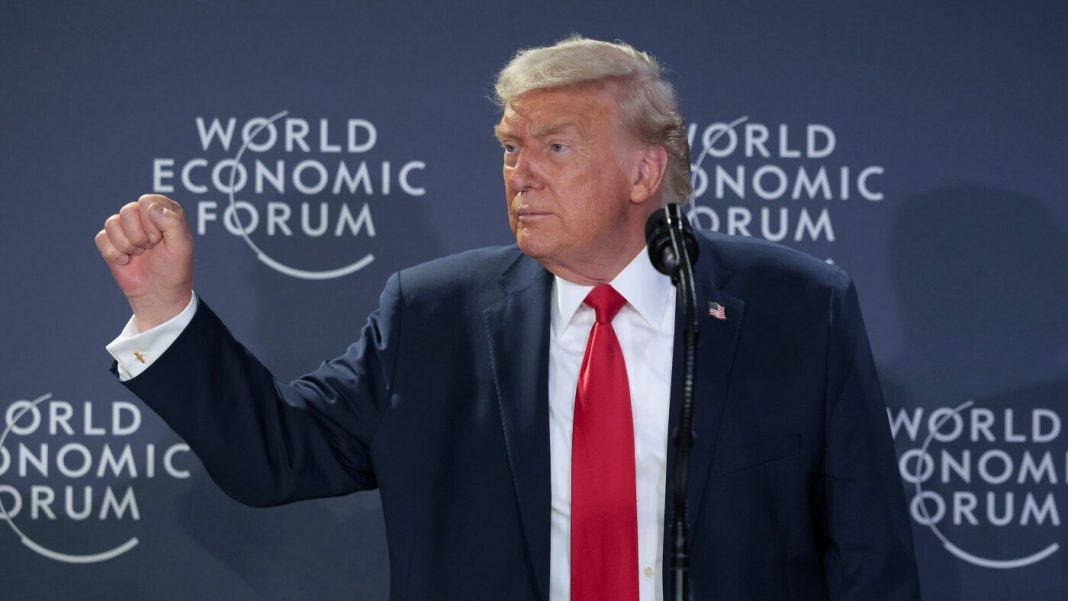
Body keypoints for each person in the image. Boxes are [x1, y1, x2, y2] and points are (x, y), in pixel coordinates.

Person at [95, 36, 919, 601]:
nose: (520, 173)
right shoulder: (433, 316)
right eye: (509, 147)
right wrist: (165, 309)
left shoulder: (797, 309)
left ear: (644, 173)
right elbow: (276, 456)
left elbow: (871, 558)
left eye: (554, 147)